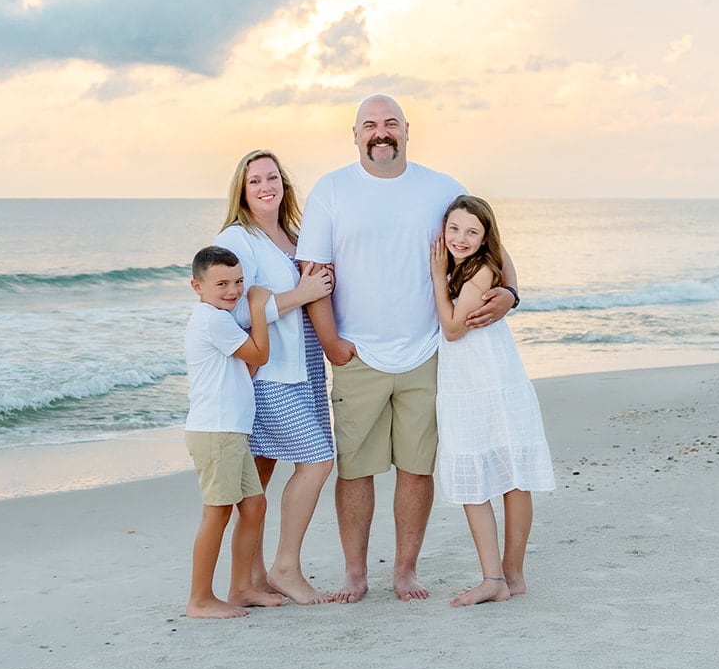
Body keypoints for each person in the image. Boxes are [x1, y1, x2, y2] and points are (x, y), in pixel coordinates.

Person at [296, 94, 519, 602]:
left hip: (430, 352)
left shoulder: (442, 189)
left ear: (407, 130)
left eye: (390, 123)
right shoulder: (331, 191)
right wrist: (331, 343)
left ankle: (405, 571)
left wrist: (509, 294)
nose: (381, 132)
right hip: (359, 357)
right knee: (355, 470)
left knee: (416, 470)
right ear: (354, 134)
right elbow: (313, 274)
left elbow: (496, 253)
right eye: (370, 125)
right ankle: (355, 574)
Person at [213, 149, 337, 605]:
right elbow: (230, 307)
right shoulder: (236, 239)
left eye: (272, 177)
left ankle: (248, 580)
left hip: (304, 370)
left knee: (259, 478)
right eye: (254, 181)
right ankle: (286, 567)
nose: (266, 186)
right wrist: (300, 293)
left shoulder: (294, 236)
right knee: (318, 461)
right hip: (267, 373)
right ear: (242, 193)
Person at [429, 195, 555, 607]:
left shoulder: (479, 272)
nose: (461, 238)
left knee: (497, 475)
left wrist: (435, 276)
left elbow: (452, 328)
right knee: (498, 472)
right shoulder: (470, 267)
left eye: (472, 231)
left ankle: (497, 577)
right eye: (454, 229)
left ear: (486, 238)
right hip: (477, 380)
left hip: (485, 383)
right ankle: (507, 576)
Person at [182, 245, 289, 619]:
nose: (233, 290)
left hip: (231, 431)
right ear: (197, 286)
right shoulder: (212, 319)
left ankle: (242, 588)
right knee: (217, 512)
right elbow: (260, 354)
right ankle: (199, 599)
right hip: (216, 431)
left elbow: (247, 367)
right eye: (222, 283)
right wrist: (258, 306)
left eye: (240, 282)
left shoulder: (220, 320)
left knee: (254, 505)